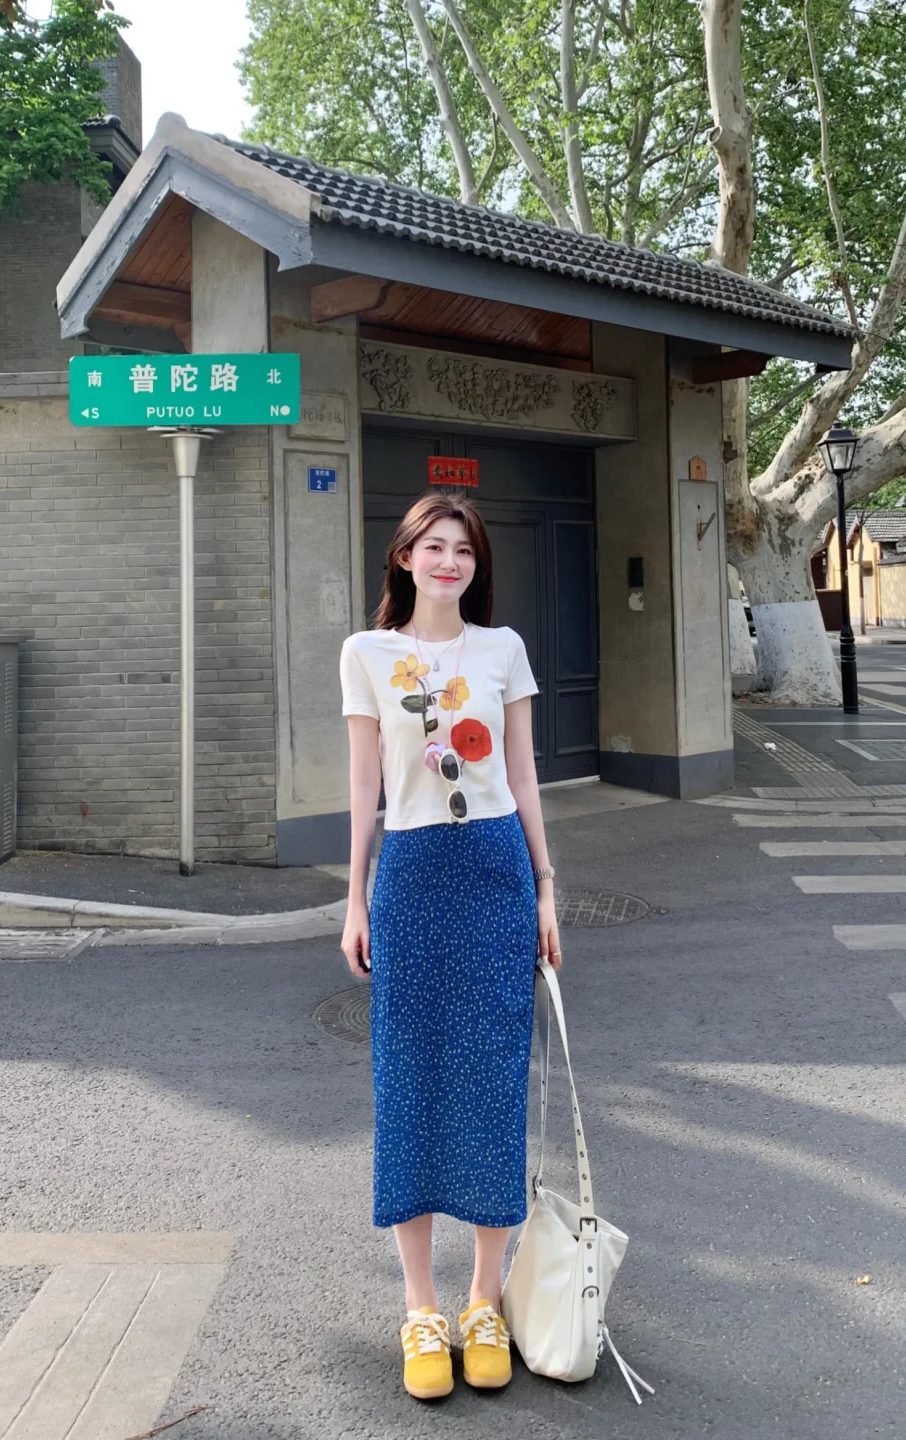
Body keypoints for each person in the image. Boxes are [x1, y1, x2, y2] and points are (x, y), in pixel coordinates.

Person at [339, 490, 562, 1401]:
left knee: (492, 1080)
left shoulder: (502, 649)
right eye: (433, 546)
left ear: (477, 565)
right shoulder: (366, 654)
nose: (448, 562)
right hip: (411, 874)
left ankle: (484, 1300)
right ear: (404, 556)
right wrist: (353, 899)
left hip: (495, 869)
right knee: (411, 1080)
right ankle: (421, 1305)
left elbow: (524, 773)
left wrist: (546, 887)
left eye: (463, 550)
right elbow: (365, 785)